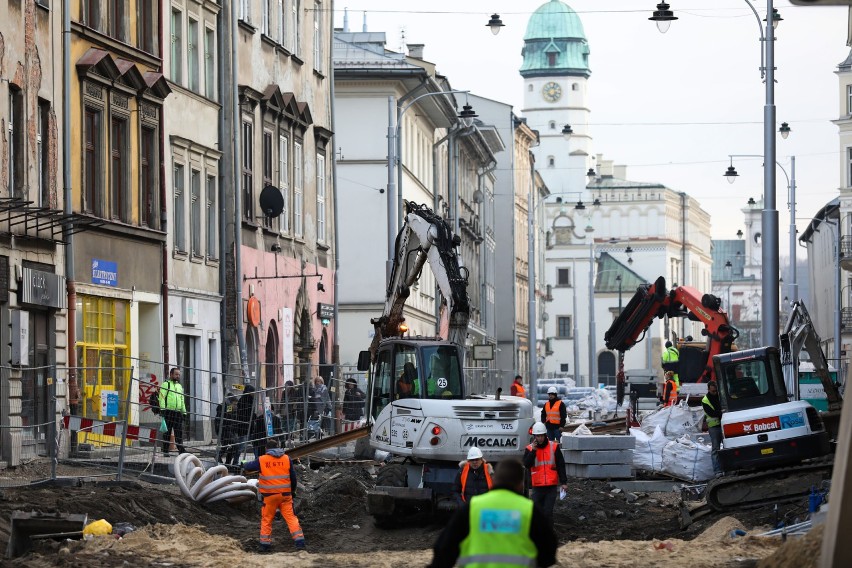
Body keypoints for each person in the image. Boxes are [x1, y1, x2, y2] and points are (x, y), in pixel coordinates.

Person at [429, 458, 558, 568]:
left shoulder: (472, 508)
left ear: (494, 480)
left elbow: (444, 550)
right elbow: (548, 553)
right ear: (520, 484)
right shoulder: (530, 510)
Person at [241, 438, 306, 553]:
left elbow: (248, 467)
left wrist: (244, 462)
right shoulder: (286, 458)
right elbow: (293, 477)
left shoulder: (262, 459)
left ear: (267, 449)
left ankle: (264, 545)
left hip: (270, 497)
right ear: (279, 447)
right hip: (285, 495)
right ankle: (300, 542)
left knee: (267, 519)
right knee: (291, 518)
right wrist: (293, 491)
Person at [523, 422, 568, 521]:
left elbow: (561, 465)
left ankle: (548, 534)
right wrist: (533, 451)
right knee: (537, 514)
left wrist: (563, 482)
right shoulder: (529, 449)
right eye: (537, 436)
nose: (540, 438)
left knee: (548, 513)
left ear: (545, 435)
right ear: (534, 436)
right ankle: (538, 534)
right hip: (537, 487)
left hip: (551, 486)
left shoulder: (554, 447)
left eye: (541, 436)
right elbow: (527, 464)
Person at [159, 367, 187, 456]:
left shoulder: (179, 386)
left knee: (179, 432)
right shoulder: (166, 384)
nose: (178, 376)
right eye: (176, 374)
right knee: (167, 432)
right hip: (168, 411)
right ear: (171, 374)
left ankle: (181, 449)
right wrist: (163, 409)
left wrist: (184, 412)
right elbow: (162, 397)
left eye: (179, 374)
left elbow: (182, 399)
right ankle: (165, 450)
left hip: (178, 412)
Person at [702, 380, 723, 476]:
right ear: (708, 389)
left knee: (728, 446)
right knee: (715, 449)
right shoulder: (705, 400)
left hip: (723, 424)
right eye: (712, 391)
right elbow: (712, 413)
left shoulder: (720, 395)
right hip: (714, 427)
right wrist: (722, 412)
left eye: (715, 391)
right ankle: (717, 471)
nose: (714, 393)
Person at [215, 392, 239, 464]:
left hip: (229, 430)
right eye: (234, 404)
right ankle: (220, 459)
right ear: (229, 402)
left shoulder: (230, 408)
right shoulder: (224, 407)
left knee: (227, 446)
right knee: (233, 445)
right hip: (224, 430)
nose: (236, 406)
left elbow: (232, 420)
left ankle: (224, 461)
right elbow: (223, 420)